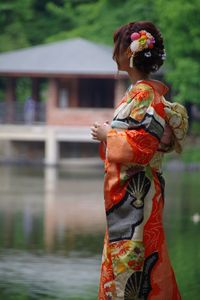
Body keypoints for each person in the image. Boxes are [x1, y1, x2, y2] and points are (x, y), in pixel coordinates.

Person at [91, 21, 188, 300]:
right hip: (132, 193)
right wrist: (109, 136)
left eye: (117, 47)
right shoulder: (138, 93)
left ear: (130, 52)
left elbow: (144, 145)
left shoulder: (145, 94)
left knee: (136, 258)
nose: (113, 53)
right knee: (133, 256)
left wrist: (109, 134)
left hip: (138, 194)